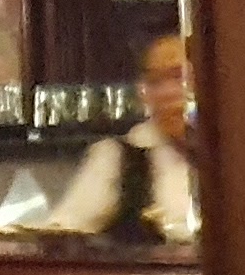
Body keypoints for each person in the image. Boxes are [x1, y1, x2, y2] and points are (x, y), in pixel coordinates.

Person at [42, 26, 203, 247]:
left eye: (179, 77)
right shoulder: (117, 158)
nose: (167, 93)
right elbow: (62, 235)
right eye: (155, 82)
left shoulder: (238, 155)